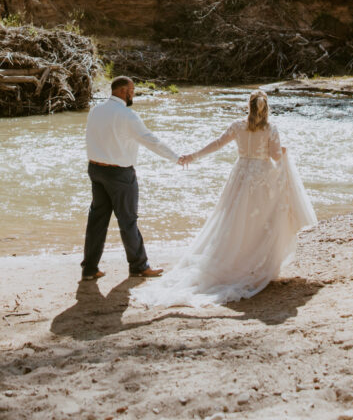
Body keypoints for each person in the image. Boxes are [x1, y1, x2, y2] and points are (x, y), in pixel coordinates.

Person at [133, 89, 317, 307]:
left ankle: (233, 260)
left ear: (249, 105)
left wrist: (192, 156)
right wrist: (285, 152)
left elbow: (217, 144)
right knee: (258, 221)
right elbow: (275, 156)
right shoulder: (270, 129)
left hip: (240, 176)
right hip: (261, 178)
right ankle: (253, 264)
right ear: (266, 107)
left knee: (233, 218)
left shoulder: (238, 126)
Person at [81, 75, 180, 281]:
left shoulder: (95, 111)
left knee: (97, 220)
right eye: (132, 91)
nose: (133, 94)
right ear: (123, 91)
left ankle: (89, 268)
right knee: (128, 221)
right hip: (119, 174)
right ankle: (138, 266)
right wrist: (175, 157)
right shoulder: (127, 115)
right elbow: (151, 141)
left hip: (96, 170)